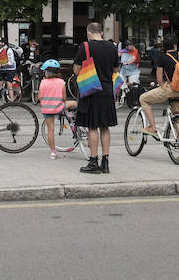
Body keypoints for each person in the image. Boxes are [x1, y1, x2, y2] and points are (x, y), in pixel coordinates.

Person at [73, 20, 119, 174]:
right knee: (104, 126)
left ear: (88, 33)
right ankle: (106, 162)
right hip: (107, 90)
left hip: (91, 90)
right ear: (101, 32)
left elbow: (77, 70)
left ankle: (94, 161)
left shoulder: (85, 46)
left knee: (92, 126)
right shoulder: (112, 47)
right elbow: (115, 68)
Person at [138, 36, 179, 137]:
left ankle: (152, 127)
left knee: (143, 99)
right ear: (175, 46)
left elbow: (159, 79)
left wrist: (161, 87)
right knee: (177, 116)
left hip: (170, 89)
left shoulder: (163, 58)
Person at [39, 59, 78, 158]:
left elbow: (39, 97)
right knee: (74, 103)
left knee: (50, 130)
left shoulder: (42, 82)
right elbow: (64, 99)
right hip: (58, 108)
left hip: (46, 109)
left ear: (47, 72)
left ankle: (53, 152)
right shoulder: (61, 82)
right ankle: (73, 120)